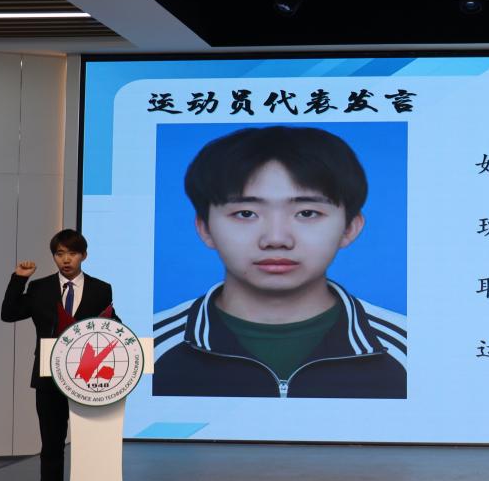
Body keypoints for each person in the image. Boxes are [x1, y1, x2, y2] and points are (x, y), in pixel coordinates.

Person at [152, 126, 406, 399]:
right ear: (205, 228)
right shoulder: (144, 347)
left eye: (307, 213)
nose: (276, 239)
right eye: (245, 213)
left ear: (350, 228)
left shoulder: (411, 348)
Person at [1, 229, 117, 481]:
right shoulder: (39, 288)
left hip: (89, 379)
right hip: (49, 378)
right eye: (60, 253)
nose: (66, 260)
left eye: (72, 253)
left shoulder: (101, 288)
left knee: (91, 446)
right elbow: (8, 314)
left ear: (84, 256)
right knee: (51, 447)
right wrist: (19, 279)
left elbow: (110, 325)